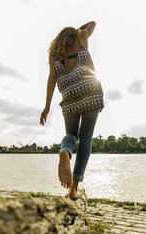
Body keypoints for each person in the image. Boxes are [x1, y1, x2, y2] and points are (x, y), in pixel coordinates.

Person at [40, 21, 104, 200]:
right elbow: (93, 23)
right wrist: (78, 30)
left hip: (69, 96)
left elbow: (52, 78)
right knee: (86, 137)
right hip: (91, 91)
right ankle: (74, 188)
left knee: (71, 135)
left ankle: (65, 152)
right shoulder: (82, 37)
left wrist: (46, 107)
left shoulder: (54, 53)